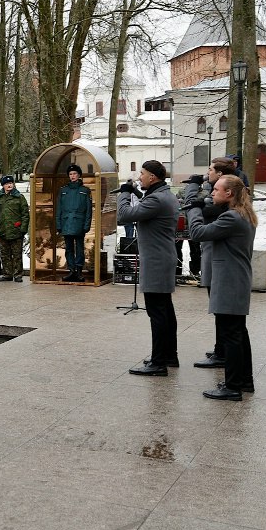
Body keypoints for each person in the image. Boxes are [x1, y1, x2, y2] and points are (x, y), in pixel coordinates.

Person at [186, 175, 256, 400]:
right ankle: (244, 381)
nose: (211, 193)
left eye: (216, 190)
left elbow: (198, 234)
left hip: (230, 281)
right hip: (234, 280)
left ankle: (232, 387)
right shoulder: (240, 214)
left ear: (229, 194)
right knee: (238, 333)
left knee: (231, 335)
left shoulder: (232, 218)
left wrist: (195, 210)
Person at [118, 161, 179, 376]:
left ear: (152, 177)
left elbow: (123, 216)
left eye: (142, 174)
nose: (139, 177)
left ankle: (158, 362)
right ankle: (169, 355)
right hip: (162, 258)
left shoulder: (157, 199)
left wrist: (125, 194)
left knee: (157, 312)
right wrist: (135, 190)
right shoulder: (164, 195)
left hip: (156, 261)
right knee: (165, 310)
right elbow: (146, 204)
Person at [187, 158, 236, 367]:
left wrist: (192, 187)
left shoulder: (227, 210)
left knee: (224, 315)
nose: (207, 173)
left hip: (220, 261)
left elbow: (195, 215)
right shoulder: (225, 204)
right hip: (215, 257)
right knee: (221, 312)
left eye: (210, 170)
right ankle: (221, 349)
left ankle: (223, 353)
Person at [55, 164, 92, 282]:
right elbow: (59, 209)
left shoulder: (85, 191)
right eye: (70, 174)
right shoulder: (63, 190)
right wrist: (58, 224)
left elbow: (88, 210)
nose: (72, 176)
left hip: (79, 224)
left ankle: (79, 271)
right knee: (69, 249)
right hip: (66, 223)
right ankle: (71, 270)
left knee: (80, 248)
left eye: (75, 174)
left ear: (79, 175)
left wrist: (87, 225)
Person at [0, 175, 29, 282]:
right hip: (3, 231)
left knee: (17, 254)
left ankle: (18, 274)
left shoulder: (19, 197)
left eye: (11, 183)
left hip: (16, 231)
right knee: (4, 254)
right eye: (7, 184)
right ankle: (7, 273)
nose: (9, 185)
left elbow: (25, 214)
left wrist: (23, 228)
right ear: (3, 185)